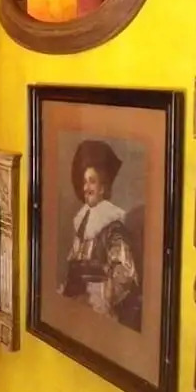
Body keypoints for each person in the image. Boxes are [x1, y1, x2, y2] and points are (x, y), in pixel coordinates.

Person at [58, 139, 141, 328]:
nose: (87, 188)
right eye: (85, 182)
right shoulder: (82, 222)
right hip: (77, 304)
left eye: (92, 181)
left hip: (100, 310)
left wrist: (98, 293)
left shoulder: (113, 226)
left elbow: (125, 275)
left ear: (103, 187)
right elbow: (74, 262)